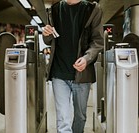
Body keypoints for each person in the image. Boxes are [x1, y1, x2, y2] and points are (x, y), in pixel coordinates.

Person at [42, 0, 104, 132]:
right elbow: (50, 40)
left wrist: (87, 59)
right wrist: (45, 34)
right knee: (63, 119)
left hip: (82, 74)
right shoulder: (54, 10)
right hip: (59, 72)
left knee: (80, 117)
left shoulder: (92, 9)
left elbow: (98, 41)